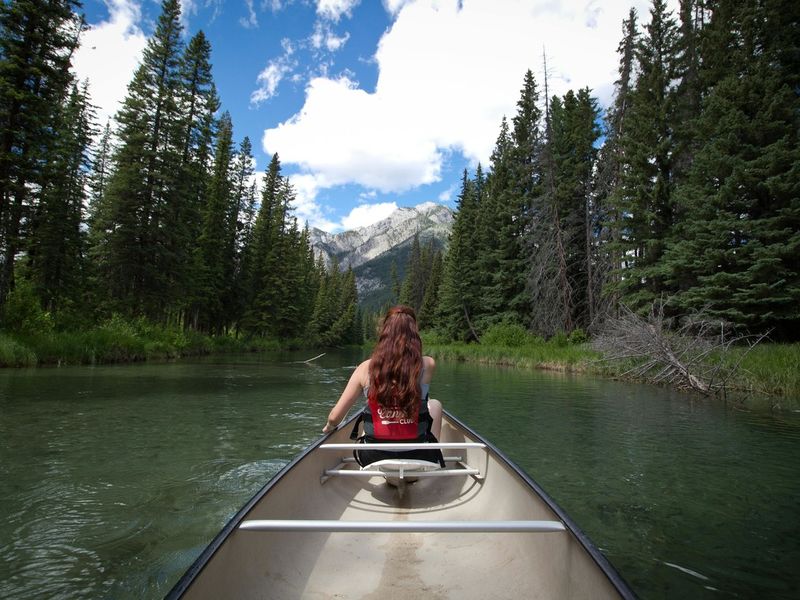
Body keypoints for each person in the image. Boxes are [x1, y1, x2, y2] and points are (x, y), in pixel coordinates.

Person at [323, 305, 444, 466]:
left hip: (374, 459)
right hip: (420, 457)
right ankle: (432, 457)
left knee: (370, 414)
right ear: (414, 334)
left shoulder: (365, 368)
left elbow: (334, 417)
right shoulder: (427, 364)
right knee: (434, 404)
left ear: (384, 332)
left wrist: (329, 426)